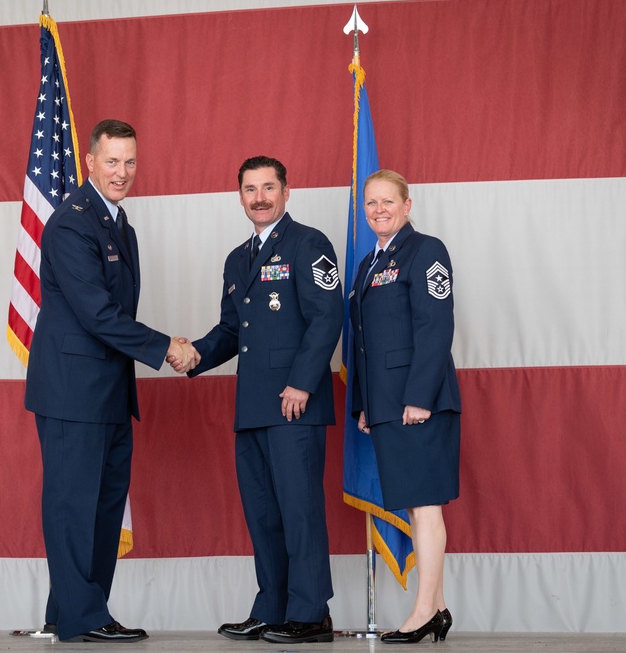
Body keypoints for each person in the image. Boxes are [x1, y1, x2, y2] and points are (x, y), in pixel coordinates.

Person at [24, 119, 199, 643]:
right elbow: (98, 313)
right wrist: (166, 346)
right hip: (73, 389)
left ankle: (77, 610)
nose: (122, 172)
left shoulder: (120, 225)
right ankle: (83, 616)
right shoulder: (71, 224)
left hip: (107, 389)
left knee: (99, 505)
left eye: (130, 162)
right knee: (73, 504)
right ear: (90, 163)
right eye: (112, 161)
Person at [174, 155, 343, 644]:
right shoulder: (237, 258)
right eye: (250, 189)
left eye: (269, 187)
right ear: (240, 196)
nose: (260, 197)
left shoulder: (310, 244)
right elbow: (231, 330)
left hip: (295, 402)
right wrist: (193, 356)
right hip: (251, 405)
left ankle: (310, 613)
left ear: (287, 192)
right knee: (264, 513)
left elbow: (326, 317)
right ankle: (272, 606)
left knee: (299, 510)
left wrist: (304, 382)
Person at [348, 170, 461, 644]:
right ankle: (436, 608)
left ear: (407, 204)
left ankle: (421, 613)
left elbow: (436, 326)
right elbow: (364, 343)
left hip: (419, 403)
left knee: (426, 506)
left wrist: (418, 397)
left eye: (387, 202)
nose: (378, 210)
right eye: (370, 203)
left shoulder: (426, 251)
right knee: (418, 508)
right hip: (388, 405)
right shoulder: (369, 263)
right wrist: (365, 404)